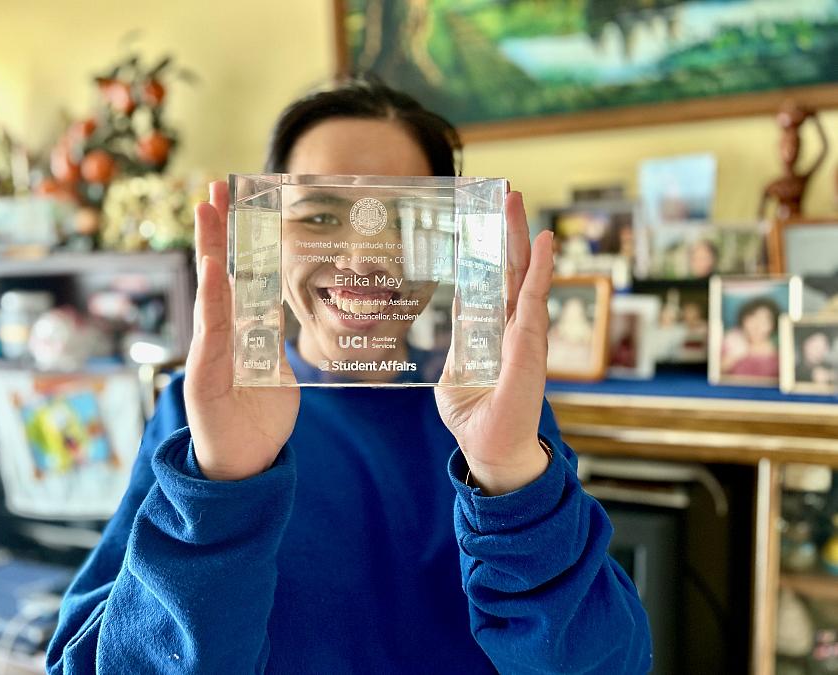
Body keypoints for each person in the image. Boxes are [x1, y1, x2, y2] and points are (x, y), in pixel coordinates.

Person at [47, 77, 652, 674]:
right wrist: (220, 489)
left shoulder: (495, 413)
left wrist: (511, 478)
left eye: (407, 221)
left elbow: (608, 664)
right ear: (268, 234)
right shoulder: (199, 414)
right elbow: (87, 663)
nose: (364, 258)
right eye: (317, 217)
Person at [721, 296, 781, 379]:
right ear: (743, 320)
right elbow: (715, 373)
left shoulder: (779, 351)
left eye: (764, 321)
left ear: (773, 325)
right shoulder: (729, 343)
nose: (757, 325)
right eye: (753, 318)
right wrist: (734, 355)